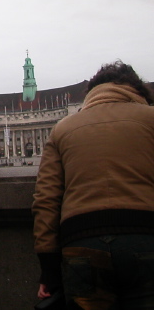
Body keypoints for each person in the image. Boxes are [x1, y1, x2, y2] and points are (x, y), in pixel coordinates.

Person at [33, 61, 154, 309]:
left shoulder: (63, 128)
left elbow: (46, 199)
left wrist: (48, 268)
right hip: (145, 235)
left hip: (81, 243)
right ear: (138, 91)